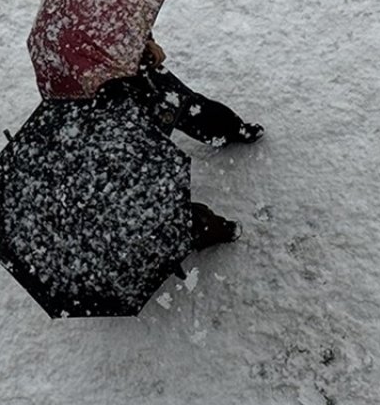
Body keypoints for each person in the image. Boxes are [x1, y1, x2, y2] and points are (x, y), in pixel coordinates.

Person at [95, 34, 263, 279]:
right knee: (147, 178)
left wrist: (146, 42)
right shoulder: (75, 26)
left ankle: (229, 130)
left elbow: (130, 21)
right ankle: (202, 229)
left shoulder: (84, 18)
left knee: (190, 109)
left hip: (142, 77)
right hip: (115, 111)